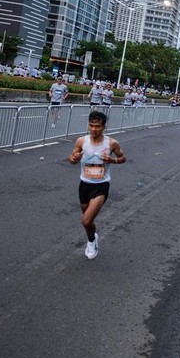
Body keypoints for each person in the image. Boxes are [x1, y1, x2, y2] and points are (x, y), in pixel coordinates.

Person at [68, 110, 126, 259]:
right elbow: (72, 159)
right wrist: (74, 158)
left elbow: (123, 157)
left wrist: (112, 160)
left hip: (101, 185)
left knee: (86, 220)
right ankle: (93, 235)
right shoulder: (81, 141)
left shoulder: (112, 143)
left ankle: (91, 241)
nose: (94, 129)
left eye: (97, 126)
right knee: (89, 222)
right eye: (91, 125)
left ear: (104, 127)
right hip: (84, 185)